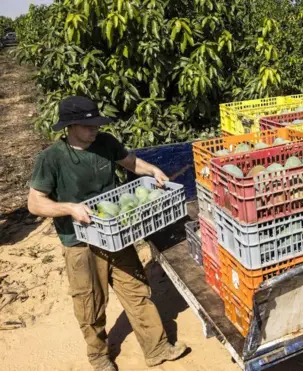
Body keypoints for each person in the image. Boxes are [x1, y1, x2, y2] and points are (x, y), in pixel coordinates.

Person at [27, 96, 187, 371]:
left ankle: (157, 348)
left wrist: (153, 171)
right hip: (80, 242)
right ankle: (99, 357)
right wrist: (69, 208)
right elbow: (35, 202)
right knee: (90, 303)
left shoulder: (106, 143)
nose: (94, 130)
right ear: (70, 126)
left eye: (96, 124)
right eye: (88, 126)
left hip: (116, 233)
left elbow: (131, 162)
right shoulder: (51, 159)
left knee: (137, 290)